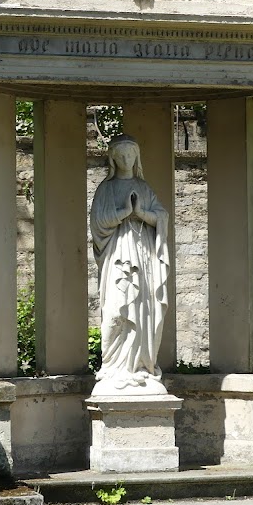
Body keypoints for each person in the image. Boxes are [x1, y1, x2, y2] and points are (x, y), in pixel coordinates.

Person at [89, 135, 170, 393]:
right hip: (117, 257)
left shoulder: (144, 188)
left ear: (137, 158)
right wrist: (124, 213)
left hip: (143, 255)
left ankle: (140, 368)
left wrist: (142, 214)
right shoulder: (106, 189)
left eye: (130, 155)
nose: (126, 160)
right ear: (112, 158)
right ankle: (113, 368)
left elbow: (162, 216)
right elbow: (98, 223)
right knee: (115, 310)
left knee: (143, 309)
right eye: (120, 155)